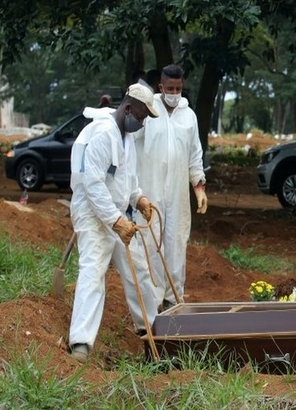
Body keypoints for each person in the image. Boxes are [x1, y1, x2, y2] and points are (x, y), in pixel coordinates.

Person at [68, 83, 160, 362]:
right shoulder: (102, 133)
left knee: (138, 271)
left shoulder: (125, 137)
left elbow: (126, 180)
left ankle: (152, 330)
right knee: (93, 272)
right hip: (93, 216)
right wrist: (115, 220)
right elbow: (93, 184)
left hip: (118, 216)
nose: (141, 123)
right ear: (129, 108)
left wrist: (139, 198)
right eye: (142, 117)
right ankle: (81, 344)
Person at [134, 64, 207, 311]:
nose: (175, 93)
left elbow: (195, 155)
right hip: (150, 192)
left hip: (177, 196)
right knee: (152, 245)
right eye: (170, 88)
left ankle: (174, 300)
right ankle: (153, 304)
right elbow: (130, 147)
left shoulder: (189, 116)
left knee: (177, 245)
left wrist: (199, 187)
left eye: (179, 88)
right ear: (161, 87)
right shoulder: (148, 111)